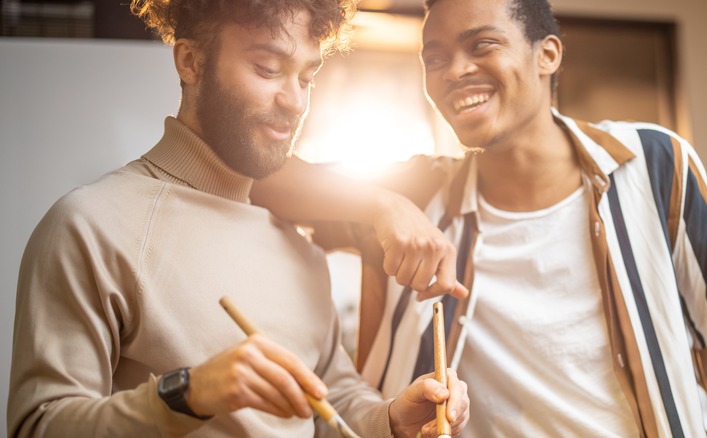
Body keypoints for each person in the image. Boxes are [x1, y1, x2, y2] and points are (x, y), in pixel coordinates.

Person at [252, 0, 707, 436]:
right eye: (434, 58)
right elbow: (260, 177)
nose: (455, 71)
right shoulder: (418, 192)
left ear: (547, 54)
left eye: (482, 45)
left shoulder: (657, 164)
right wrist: (379, 204)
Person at [6, 1, 471, 437]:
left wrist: (390, 419)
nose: (295, 101)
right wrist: (188, 393)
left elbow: (333, 400)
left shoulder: (299, 246)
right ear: (190, 62)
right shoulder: (90, 225)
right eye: (268, 69)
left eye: (307, 77)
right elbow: (38, 425)